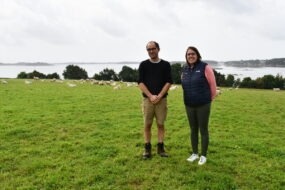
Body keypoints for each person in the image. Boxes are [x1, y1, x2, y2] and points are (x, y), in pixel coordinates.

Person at [181, 46, 217, 165]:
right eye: (188, 54)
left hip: (203, 104)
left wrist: (208, 100)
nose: (190, 56)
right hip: (189, 104)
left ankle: (203, 155)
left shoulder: (205, 67)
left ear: (197, 55)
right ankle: (195, 153)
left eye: (193, 54)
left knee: (203, 130)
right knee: (193, 129)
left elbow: (213, 86)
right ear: (186, 57)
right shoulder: (185, 69)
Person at [138, 41, 173, 159]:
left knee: (160, 124)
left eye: (153, 49)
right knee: (147, 124)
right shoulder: (143, 65)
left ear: (158, 49)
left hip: (162, 100)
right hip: (148, 100)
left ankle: (160, 148)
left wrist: (159, 95)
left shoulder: (166, 65)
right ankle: (147, 149)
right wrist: (150, 96)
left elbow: (169, 81)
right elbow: (140, 82)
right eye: (148, 49)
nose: (151, 51)